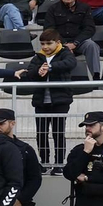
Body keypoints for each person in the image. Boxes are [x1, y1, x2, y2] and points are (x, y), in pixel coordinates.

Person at [16, 30, 78, 168]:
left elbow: (70, 63)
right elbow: (30, 73)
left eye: (49, 43)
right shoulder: (38, 56)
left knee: (58, 133)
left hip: (60, 100)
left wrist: (50, 67)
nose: (45, 47)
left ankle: (59, 163)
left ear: (58, 43)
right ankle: (44, 162)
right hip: (41, 101)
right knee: (41, 133)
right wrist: (39, 71)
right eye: (42, 44)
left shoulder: (65, 53)